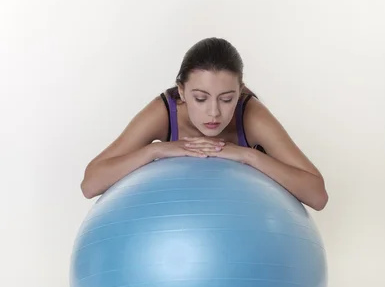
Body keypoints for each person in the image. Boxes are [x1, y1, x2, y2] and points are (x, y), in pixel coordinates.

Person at [80, 37, 328, 211]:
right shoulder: (165, 112)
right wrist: (155, 150)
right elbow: (90, 184)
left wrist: (248, 156)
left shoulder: (251, 115)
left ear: (239, 92)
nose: (214, 112)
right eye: (200, 98)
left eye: (227, 99)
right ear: (182, 91)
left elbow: (318, 196)